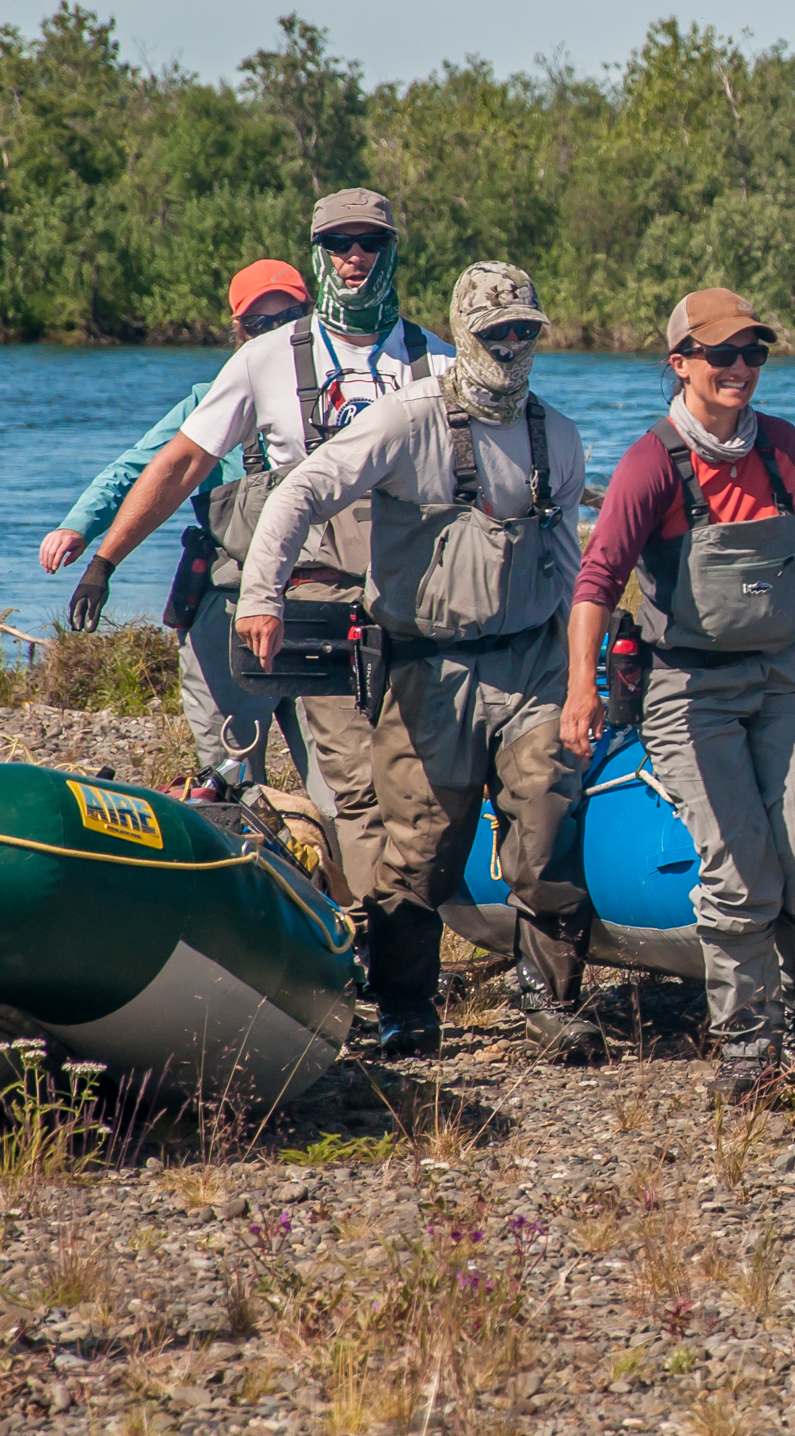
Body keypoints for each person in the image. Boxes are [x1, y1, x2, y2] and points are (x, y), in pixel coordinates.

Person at [240, 264, 596, 1063]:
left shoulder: (558, 436)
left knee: (544, 827)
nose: (512, 346)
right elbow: (300, 493)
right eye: (496, 333)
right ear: (463, 335)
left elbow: (573, 569)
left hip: (533, 662)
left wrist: (590, 666)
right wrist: (261, 595)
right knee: (419, 853)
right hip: (427, 672)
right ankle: (407, 1008)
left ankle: (551, 1002)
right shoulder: (407, 423)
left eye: (525, 331)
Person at [74, 189, 451, 909]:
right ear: (319, 252)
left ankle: (410, 929)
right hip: (310, 604)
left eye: (370, 242)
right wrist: (104, 558)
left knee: (426, 781)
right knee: (349, 791)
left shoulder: (437, 361)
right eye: (339, 243)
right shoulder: (266, 360)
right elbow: (178, 462)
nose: (355, 257)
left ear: (393, 250)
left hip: (414, 610)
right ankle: (365, 942)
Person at [562, 288, 795, 1102]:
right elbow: (596, 580)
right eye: (722, 355)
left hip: (790, 675)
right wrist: (581, 687)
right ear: (680, 363)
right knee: (739, 870)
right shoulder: (653, 463)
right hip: (691, 689)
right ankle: (747, 1049)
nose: (740, 369)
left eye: (753, 353)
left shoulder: (785, 447)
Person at [48, 261, 322, 794]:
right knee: (233, 774)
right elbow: (140, 471)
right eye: (260, 325)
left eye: (290, 319)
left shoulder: (343, 394)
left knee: (345, 783)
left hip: (319, 602)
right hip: (228, 604)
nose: (275, 335)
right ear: (238, 331)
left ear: (310, 320)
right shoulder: (207, 401)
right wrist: (82, 530)